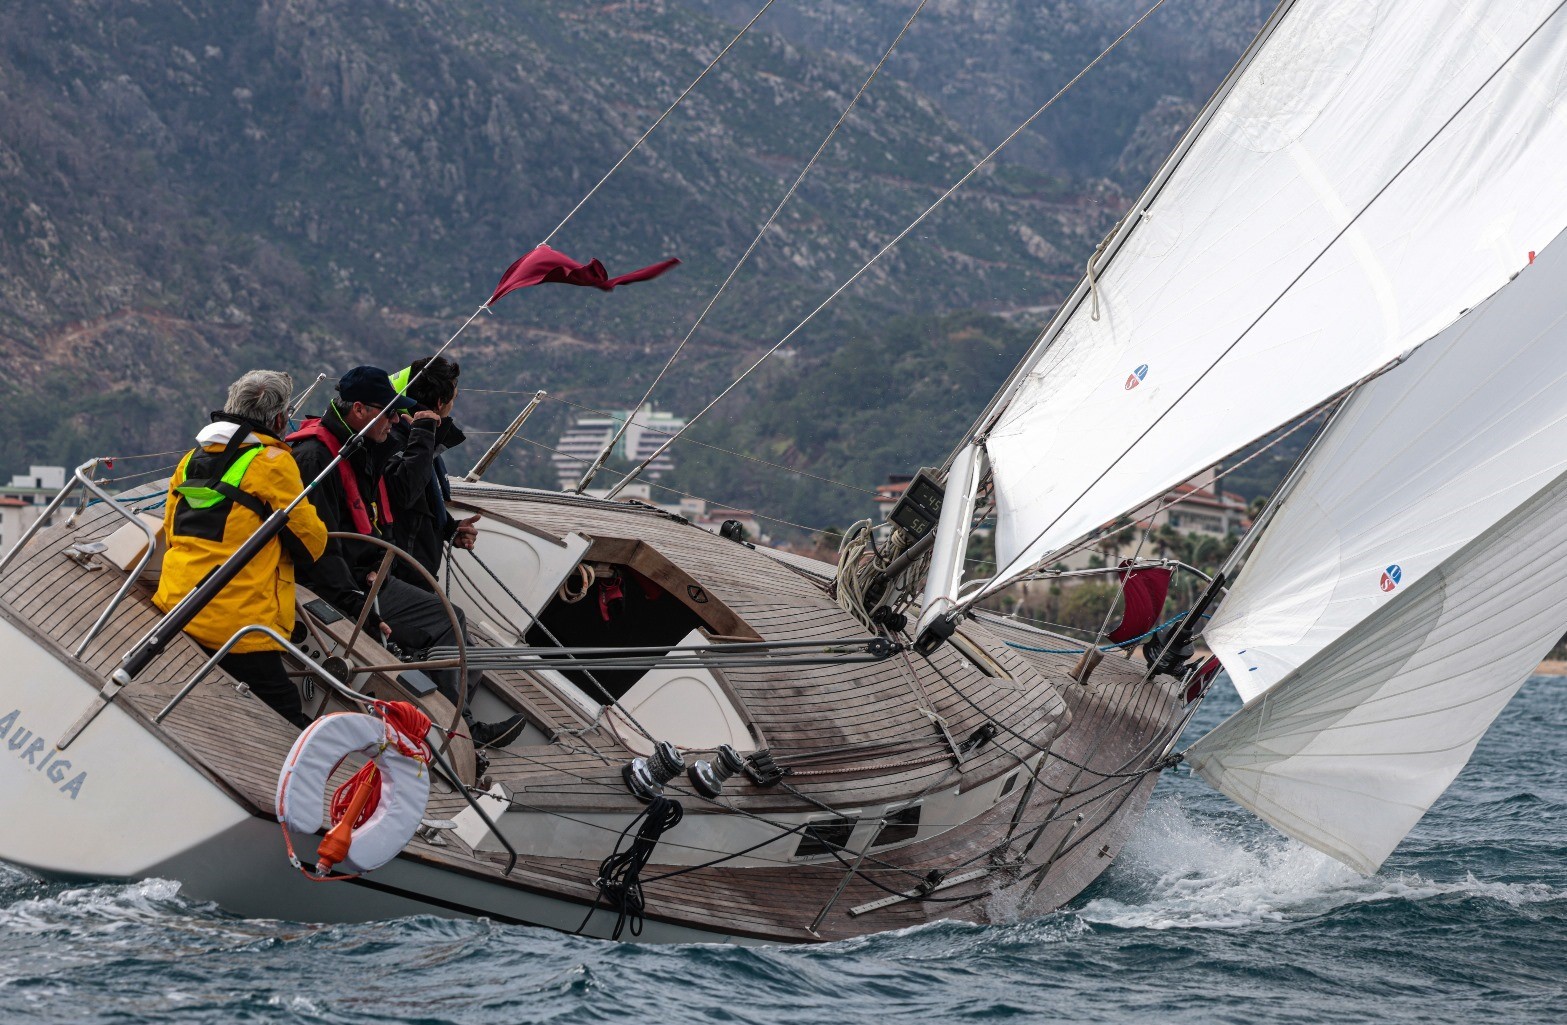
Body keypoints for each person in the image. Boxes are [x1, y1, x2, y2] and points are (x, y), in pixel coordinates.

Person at [288, 366, 526, 747]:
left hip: (366, 572)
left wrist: (447, 528)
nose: (397, 420)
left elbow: (376, 509)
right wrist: (355, 589)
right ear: (361, 410)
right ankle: (458, 733)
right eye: (389, 412)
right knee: (449, 622)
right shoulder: (318, 457)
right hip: (344, 583)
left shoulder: (355, 447)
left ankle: (444, 723)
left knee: (453, 631)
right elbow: (321, 541)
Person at [152, 370, 328, 729]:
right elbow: (312, 543)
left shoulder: (189, 460)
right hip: (237, 626)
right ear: (279, 419)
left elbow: (171, 531)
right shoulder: (273, 463)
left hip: (178, 605)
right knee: (286, 715)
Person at [383, 356, 480, 590]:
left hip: (413, 570)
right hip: (403, 575)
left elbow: (418, 503)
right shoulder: (401, 440)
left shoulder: (410, 437)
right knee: (450, 623)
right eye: (454, 398)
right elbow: (404, 493)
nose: (453, 405)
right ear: (440, 403)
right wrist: (425, 432)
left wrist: (449, 528)